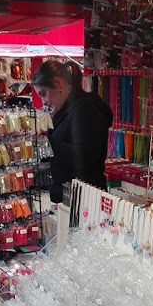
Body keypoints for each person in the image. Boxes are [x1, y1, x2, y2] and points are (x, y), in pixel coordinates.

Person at [32, 60, 113, 203]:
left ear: (58, 84)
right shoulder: (68, 111)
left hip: (86, 199)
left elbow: (86, 155)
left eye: (44, 94)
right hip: (73, 197)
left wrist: (50, 143)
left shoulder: (85, 109)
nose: (43, 101)